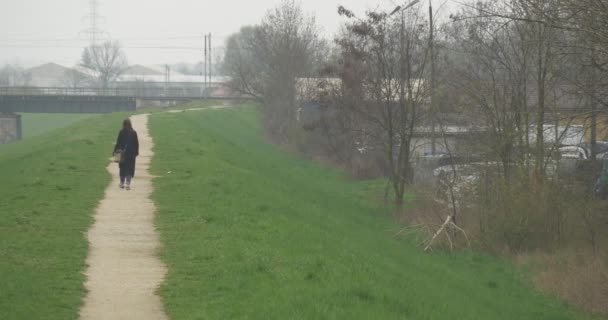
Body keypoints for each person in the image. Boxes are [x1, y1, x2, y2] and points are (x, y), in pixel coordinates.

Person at [113, 119, 139, 190]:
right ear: (130, 124)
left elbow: (118, 143)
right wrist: (136, 152)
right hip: (131, 154)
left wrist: (114, 151)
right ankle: (128, 184)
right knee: (129, 169)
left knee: (122, 168)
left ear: (123, 124)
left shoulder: (121, 132)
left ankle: (121, 183)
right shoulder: (134, 133)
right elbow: (136, 144)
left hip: (122, 154)